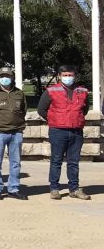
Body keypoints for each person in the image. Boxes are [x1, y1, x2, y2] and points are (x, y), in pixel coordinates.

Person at [38, 65, 91, 200]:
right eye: (65, 75)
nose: (68, 77)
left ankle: (74, 188)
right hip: (58, 131)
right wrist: (54, 119)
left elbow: (84, 110)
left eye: (70, 75)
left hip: (76, 131)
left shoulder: (82, 91)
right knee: (56, 160)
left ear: (75, 76)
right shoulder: (51, 90)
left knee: (74, 161)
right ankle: (54, 188)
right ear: (60, 76)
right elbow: (41, 109)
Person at [0, 66, 28, 200]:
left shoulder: (19, 93)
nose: (5, 79)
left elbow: (23, 110)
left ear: (12, 77)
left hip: (16, 132)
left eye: (7, 76)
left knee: (16, 163)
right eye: (2, 76)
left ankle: (13, 188)